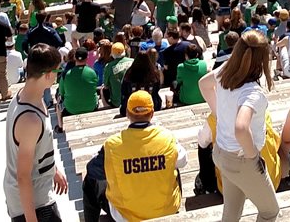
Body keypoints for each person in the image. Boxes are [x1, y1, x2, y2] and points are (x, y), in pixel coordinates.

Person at [197, 29, 279, 222]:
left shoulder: (226, 69)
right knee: (270, 212)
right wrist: (253, 156)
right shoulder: (252, 92)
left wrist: (220, 114)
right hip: (242, 160)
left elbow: (204, 84)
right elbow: (241, 128)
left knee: (231, 214)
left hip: (221, 153)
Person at [103, 90, 187, 222]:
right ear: (152, 113)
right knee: (174, 166)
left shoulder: (112, 144)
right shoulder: (167, 137)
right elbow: (183, 161)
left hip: (126, 216)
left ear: (127, 114)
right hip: (166, 211)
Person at [6, 44, 67, 222]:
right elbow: (23, 176)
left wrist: (53, 169)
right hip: (34, 205)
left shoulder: (25, 95)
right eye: (57, 71)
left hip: (39, 195)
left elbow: (37, 148)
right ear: (48, 75)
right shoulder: (30, 120)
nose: (57, 76)